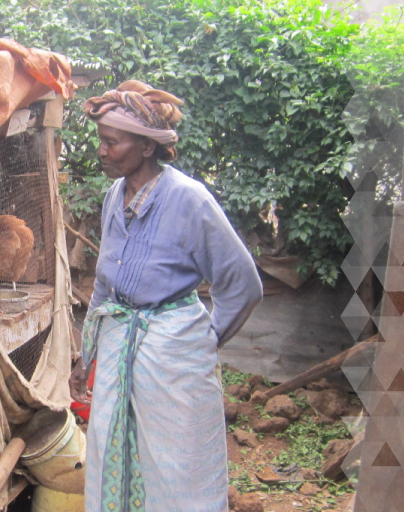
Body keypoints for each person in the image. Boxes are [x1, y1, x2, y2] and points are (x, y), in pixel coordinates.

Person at [69, 80, 263, 512]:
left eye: (111, 142)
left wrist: (200, 342)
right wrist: (88, 358)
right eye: (101, 141)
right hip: (121, 348)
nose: (101, 151)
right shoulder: (113, 197)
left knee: (177, 467)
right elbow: (105, 285)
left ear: (145, 147)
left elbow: (243, 284)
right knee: (115, 451)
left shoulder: (189, 200)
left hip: (173, 359)